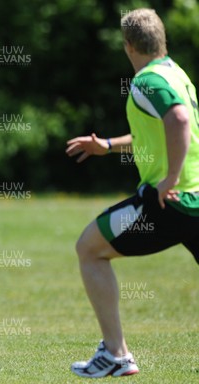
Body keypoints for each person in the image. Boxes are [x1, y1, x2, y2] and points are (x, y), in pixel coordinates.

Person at [65, 8, 199, 378]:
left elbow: (179, 120)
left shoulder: (146, 81)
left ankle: (117, 354)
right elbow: (159, 130)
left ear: (128, 46)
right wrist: (108, 145)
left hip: (168, 202)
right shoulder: (177, 74)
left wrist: (170, 177)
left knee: (89, 249)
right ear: (162, 39)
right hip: (196, 200)